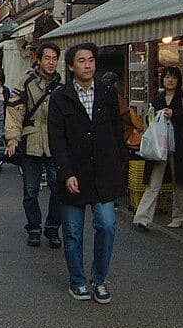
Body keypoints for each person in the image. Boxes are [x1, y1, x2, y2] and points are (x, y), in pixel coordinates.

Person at [48, 43, 127, 303]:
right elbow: (56, 139)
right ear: (71, 66)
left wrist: (120, 166)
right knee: (72, 231)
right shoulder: (61, 97)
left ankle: (99, 279)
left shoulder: (106, 92)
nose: (88, 65)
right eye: (81, 61)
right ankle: (78, 280)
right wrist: (66, 171)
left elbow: (117, 133)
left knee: (107, 225)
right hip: (74, 174)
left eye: (91, 60)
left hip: (103, 173)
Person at [5, 43, 63, 248]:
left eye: (54, 58)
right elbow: (14, 112)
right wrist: (12, 139)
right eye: (46, 58)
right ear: (38, 59)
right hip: (30, 143)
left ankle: (53, 228)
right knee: (31, 191)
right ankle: (34, 228)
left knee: (59, 190)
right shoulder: (26, 82)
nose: (50, 62)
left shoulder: (62, 85)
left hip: (55, 145)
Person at [133, 66, 183, 231]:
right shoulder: (157, 98)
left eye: (173, 77)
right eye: (167, 77)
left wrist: (174, 114)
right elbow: (149, 118)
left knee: (179, 183)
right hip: (159, 147)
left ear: (178, 80)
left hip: (178, 146)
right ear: (163, 79)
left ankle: (179, 217)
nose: (170, 80)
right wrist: (157, 114)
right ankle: (142, 218)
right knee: (154, 183)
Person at [103, 72, 143, 151]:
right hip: (122, 142)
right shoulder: (119, 101)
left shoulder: (99, 100)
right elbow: (138, 125)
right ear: (116, 84)